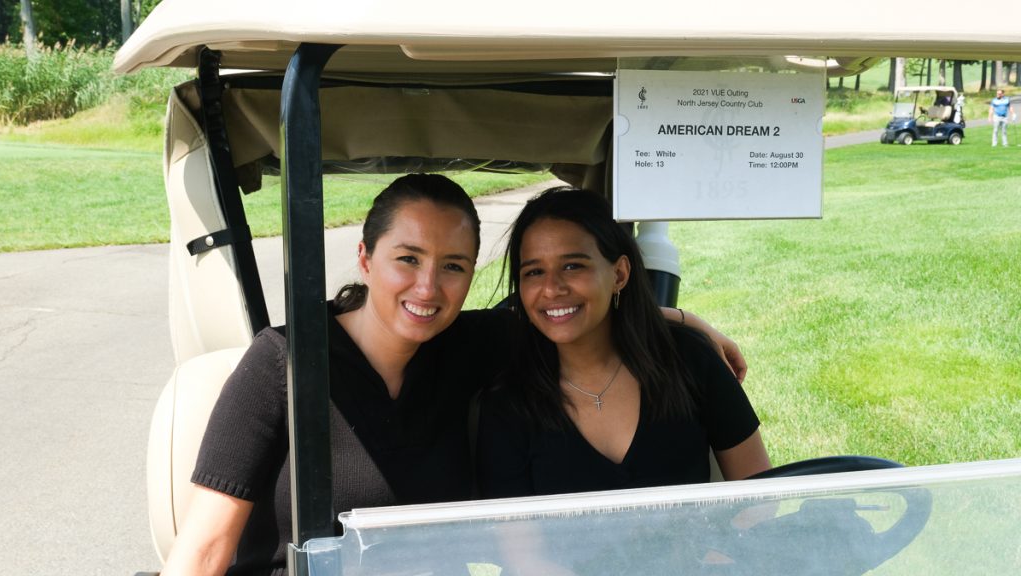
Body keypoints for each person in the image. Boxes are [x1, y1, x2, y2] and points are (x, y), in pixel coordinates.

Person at [162, 174, 748, 576]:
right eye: (407, 259)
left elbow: (567, 309)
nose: (427, 288)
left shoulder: (468, 347)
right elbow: (204, 550)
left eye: (453, 267)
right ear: (365, 258)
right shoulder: (282, 363)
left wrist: (685, 323)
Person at [477, 187, 770, 500]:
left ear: (619, 274)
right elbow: (516, 532)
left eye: (573, 266)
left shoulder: (690, 359)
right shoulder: (508, 405)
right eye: (534, 272)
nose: (551, 289)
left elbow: (762, 498)